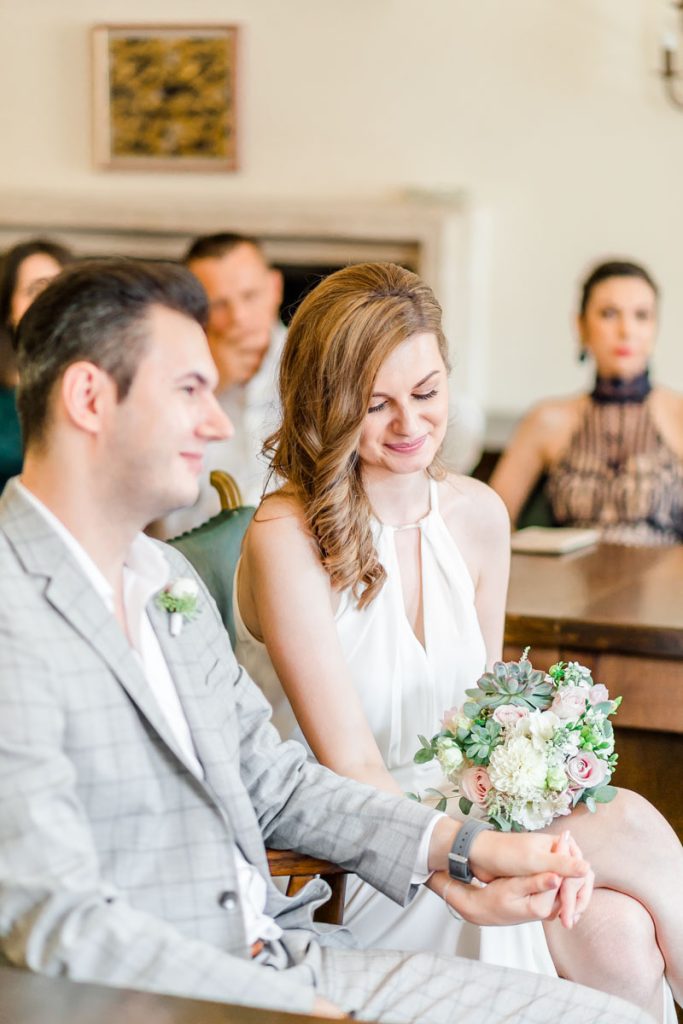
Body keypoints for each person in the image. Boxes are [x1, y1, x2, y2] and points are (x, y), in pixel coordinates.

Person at [0, 257, 643, 1024]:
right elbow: (51, 917)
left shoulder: (160, 576)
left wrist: (464, 850)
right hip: (184, 992)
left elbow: (276, 783)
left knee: (610, 1013)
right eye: (190, 391)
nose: (220, 423)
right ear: (88, 398)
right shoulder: (12, 610)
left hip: (287, 942)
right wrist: (293, 1009)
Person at [234, 262, 682, 1021]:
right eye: (374, 404)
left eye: (426, 393)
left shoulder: (475, 515)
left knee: (618, 934)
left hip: (479, 829)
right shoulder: (285, 535)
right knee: (630, 822)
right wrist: (473, 859)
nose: (409, 426)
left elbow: (482, 720)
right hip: (362, 858)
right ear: (325, 402)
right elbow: (351, 768)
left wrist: (529, 798)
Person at [489, 259, 683, 542]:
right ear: (581, 325)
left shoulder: (678, 415)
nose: (626, 330)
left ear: (655, 328)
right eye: (609, 313)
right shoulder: (547, 419)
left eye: (642, 315)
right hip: (570, 583)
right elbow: (491, 521)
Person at [157, 233, 286, 539]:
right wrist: (205, 388)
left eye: (250, 296)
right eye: (219, 304)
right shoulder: (161, 381)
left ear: (275, 288)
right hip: (188, 568)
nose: (238, 317)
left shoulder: (321, 367)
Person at [0, 237, 73, 492]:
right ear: (9, 307)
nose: (51, 303)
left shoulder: (102, 385)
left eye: (60, 289)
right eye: (36, 289)